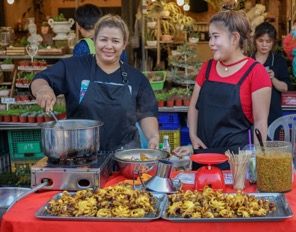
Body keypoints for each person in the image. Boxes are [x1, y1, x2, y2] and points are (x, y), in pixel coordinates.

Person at [30, 14, 159, 152]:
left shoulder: (136, 78)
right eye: (103, 39)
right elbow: (40, 79)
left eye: (115, 41)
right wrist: (43, 89)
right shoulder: (73, 67)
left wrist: (153, 137)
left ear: (124, 44)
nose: (109, 46)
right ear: (95, 40)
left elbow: (147, 113)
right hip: (80, 154)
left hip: (125, 156)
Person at [187, 5, 272, 168]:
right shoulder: (207, 68)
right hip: (203, 156)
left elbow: (260, 123)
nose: (211, 43)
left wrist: (259, 164)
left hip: (236, 161)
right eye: (210, 37)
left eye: (216, 37)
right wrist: (192, 136)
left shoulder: (256, 72)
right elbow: (194, 107)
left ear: (234, 38)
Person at [252, 22, 289, 125]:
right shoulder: (248, 61)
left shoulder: (278, 61)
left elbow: (285, 88)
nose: (264, 45)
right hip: (250, 114)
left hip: (273, 115)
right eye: (261, 41)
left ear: (273, 42)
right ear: (255, 40)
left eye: (268, 41)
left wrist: (272, 78)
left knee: (272, 141)